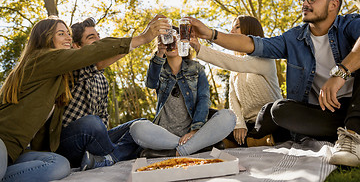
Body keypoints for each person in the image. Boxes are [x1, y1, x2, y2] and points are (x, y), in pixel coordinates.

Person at [187, 0, 360, 167]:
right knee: (279, 110)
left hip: (355, 106)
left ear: (333, 4)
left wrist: (340, 73)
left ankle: (352, 133)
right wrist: (210, 34)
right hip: (323, 114)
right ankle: (345, 130)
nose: (305, 3)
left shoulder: (349, 24)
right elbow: (253, 43)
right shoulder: (294, 38)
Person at [0, 15, 168, 181]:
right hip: (3, 145)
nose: (68, 37)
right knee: (91, 124)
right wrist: (143, 38)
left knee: (60, 165)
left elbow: (96, 63)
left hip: (18, 153)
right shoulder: (40, 59)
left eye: (68, 33)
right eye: (61, 33)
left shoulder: (59, 76)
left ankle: (112, 156)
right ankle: (114, 156)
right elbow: (94, 55)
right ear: (45, 38)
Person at [129, 27, 236, 158]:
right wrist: (160, 53)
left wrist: (195, 130)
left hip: (192, 132)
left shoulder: (196, 68)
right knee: (136, 128)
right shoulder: (158, 69)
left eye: (176, 39)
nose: (172, 44)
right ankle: (197, 147)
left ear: (183, 42)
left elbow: (203, 98)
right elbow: (151, 83)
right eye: (168, 40)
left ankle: (179, 151)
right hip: (164, 135)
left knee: (228, 116)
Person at [57, 18, 144, 170]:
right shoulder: (70, 69)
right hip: (68, 143)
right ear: (77, 46)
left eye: (98, 36)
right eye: (91, 38)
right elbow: (96, 63)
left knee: (139, 125)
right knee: (91, 123)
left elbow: (103, 118)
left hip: (95, 139)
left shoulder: (102, 79)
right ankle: (117, 154)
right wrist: (142, 38)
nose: (99, 41)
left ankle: (107, 158)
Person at [190, 15, 286, 147]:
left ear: (250, 31)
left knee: (272, 109)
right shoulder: (235, 68)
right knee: (207, 113)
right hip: (248, 125)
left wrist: (200, 48)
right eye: (231, 28)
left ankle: (243, 141)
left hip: (268, 122)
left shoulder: (265, 58)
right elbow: (233, 98)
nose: (232, 32)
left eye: (237, 27)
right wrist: (239, 124)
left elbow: (236, 63)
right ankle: (251, 140)